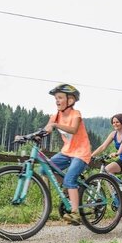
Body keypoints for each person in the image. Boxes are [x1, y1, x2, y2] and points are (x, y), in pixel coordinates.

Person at [44, 83, 92, 225]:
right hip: (67, 152)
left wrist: (55, 125)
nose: (57, 101)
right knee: (44, 169)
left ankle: (76, 214)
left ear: (70, 100)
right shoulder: (55, 116)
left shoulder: (76, 114)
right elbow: (46, 129)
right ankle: (68, 190)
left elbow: (73, 129)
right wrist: (27, 136)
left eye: (60, 97)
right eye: (55, 99)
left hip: (81, 153)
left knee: (70, 179)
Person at [91, 113, 122, 217]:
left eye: (117, 122)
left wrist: (117, 153)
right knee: (106, 170)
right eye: (113, 122)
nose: (115, 124)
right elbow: (103, 146)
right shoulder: (113, 134)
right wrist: (91, 155)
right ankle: (116, 194)